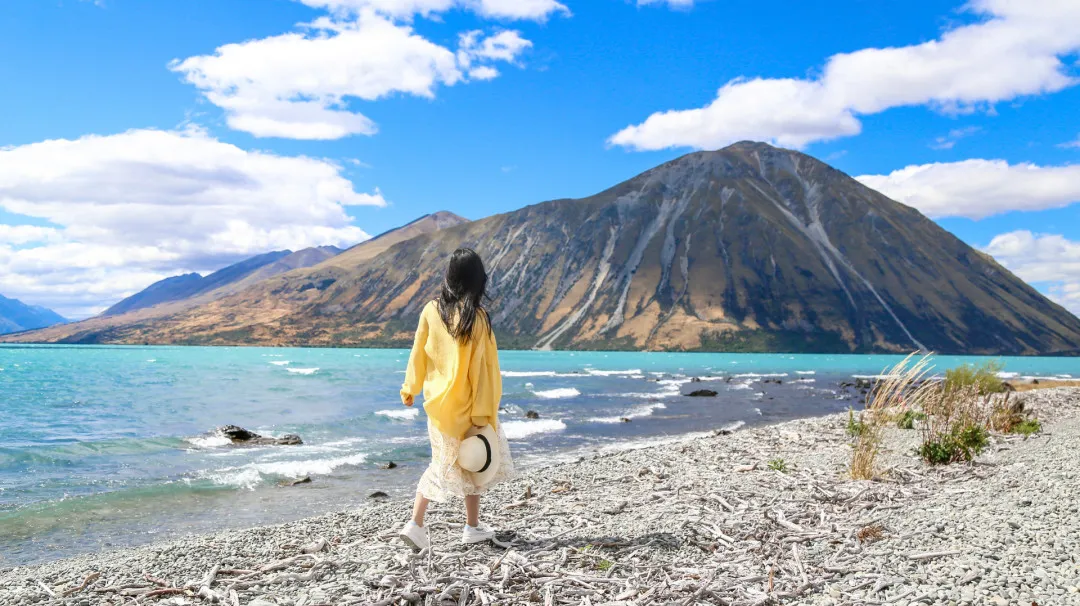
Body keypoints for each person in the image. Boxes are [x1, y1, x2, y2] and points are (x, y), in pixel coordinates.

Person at [398, 248, 514, 549]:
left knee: (444, 463)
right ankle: (423, 525)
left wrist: (410, 387)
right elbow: (486, 371)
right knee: (474, 463)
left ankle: (458, 526)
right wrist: (484, 413)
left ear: (449, 277)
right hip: (469, 407)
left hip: (439, 407)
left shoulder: (430, 310)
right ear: (478, 280)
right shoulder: (478, 318)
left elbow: (418, 353)